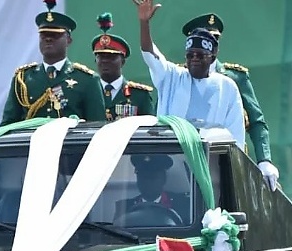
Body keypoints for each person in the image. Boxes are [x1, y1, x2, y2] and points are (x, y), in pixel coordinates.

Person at [181, 13, 279, 190]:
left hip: (228, 160)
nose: (209, 44)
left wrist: (264, 160)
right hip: (183, 160)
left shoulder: (234, 78)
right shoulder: (178, 77)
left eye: (214, 39)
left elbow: (256, 122)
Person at [133, 0, 245, 151]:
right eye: (190, 55)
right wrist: (144, 22)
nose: (194, 59)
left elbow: (236, 137)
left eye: (200, 55)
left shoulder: (227, 87)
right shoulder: (172, 77)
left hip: (212, 161)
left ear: (212, 58)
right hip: (171, 159)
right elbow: (149, 52)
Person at [0, 0, 106, 125]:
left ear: (68, 40)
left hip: (69, 143)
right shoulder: (23, 78)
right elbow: (8, 125)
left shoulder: (87, 80)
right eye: (43, 35)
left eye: (55, 35)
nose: (48, 39)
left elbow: (97, 126)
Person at [91, 12, 154, 121]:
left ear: (123, 61)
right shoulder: (88, 92)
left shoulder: (139, 95)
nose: (105, 61)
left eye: (111, 57)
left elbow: (150, 129)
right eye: (101, 56)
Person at [114, 155, 189, 225]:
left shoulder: (182, 204)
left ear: (164, 179)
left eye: (153, 177)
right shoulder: (124, 207)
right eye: (143, 176)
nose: (147, 182)